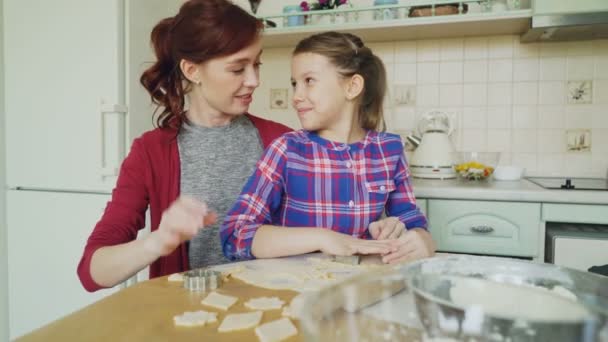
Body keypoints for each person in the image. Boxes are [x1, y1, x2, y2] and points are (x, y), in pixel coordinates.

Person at [77, 0, 291, 292]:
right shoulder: (151, 152)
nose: (254, 80)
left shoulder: (282, 141)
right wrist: (158, 240)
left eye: (257, 64)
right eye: (238, 68)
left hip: (272, 317)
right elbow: (92, 272)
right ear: (192, 70)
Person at [221, 31, 435, 264]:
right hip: (293, 291)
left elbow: (414, 225)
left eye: (309, 81)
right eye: (295, 84)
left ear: (352, 87)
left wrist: (419, 239)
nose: (296, 96)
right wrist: (323, 238)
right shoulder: (286, 150)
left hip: (359, 289)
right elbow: (235, 235)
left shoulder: (389, 150)